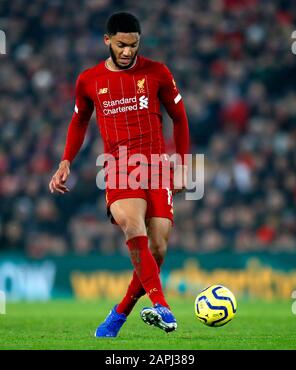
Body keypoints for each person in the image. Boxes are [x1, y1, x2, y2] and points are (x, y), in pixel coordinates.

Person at [49, 12, 189, 337]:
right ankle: (162, 305)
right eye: (122, 45)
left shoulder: (157, 73)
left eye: (134, 45)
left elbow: (180, 119)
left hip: (156, 167)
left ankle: (119, 313)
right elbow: (79, 120)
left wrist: (183, 165)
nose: (128, 52)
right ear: (107, 41)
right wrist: (65, 161)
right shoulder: (89, 80)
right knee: (131, 223)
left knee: (158, 249)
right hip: (119, 167)